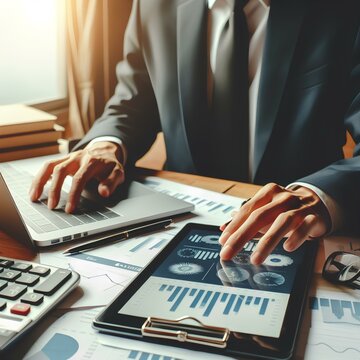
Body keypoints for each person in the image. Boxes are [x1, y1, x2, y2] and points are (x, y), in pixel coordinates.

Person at [30, 0, 360, 265]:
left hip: (298, 234)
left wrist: (320, 194)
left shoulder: (345, 10)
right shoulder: (152, 5)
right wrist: (106, 143)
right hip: (179, 225)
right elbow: (134, 97)